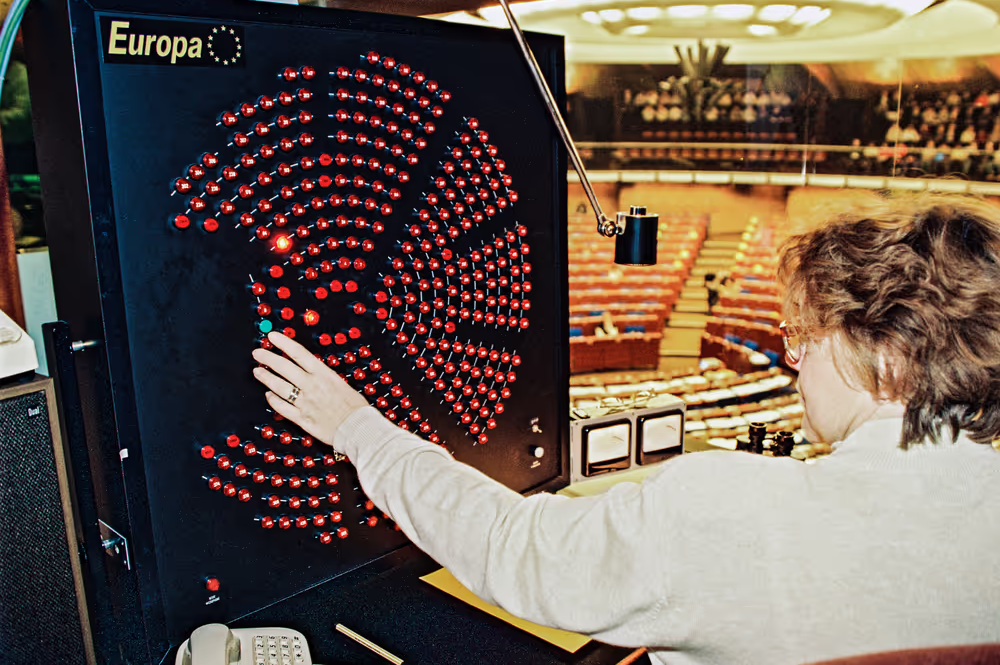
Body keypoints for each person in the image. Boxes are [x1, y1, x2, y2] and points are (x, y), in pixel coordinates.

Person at [252, 195, 1000, 664]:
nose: (792, 356)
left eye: (807, 332)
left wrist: (358, 428)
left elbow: (513, 548)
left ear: (888, 351)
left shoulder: (731, 511)